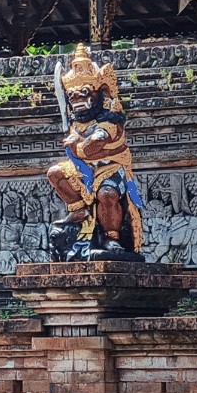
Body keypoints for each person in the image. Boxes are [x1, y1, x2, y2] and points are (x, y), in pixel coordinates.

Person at [46, 44, 144, 261]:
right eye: (72, 96)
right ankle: (78, 209)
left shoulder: (110, 118)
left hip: (109, 167)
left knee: (106, 195)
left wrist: (75, 145)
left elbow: (92, 146)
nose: (77, 100)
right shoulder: (77, 121)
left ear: (99, 93)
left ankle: (112, 236)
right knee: (55, 173)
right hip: (82, 170)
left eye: (84, 94)